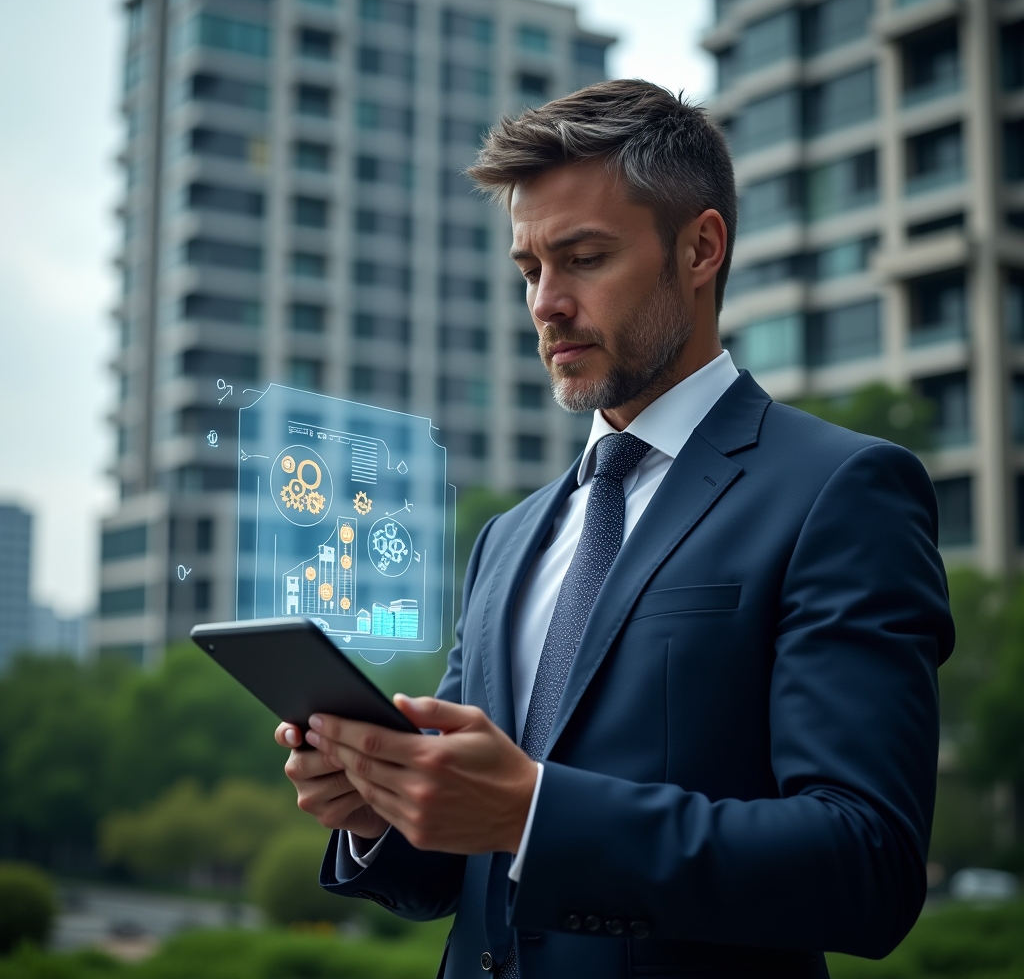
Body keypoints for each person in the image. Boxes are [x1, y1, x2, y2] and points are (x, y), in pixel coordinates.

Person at [275, 79, 954, 979]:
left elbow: (866, 861)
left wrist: (536, 814)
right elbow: (464, 871)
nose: (546, 304)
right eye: (529, 270)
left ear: (700, 248)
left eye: (584, 258)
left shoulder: (843, 491)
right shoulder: (507, 540)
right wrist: (383, 810)